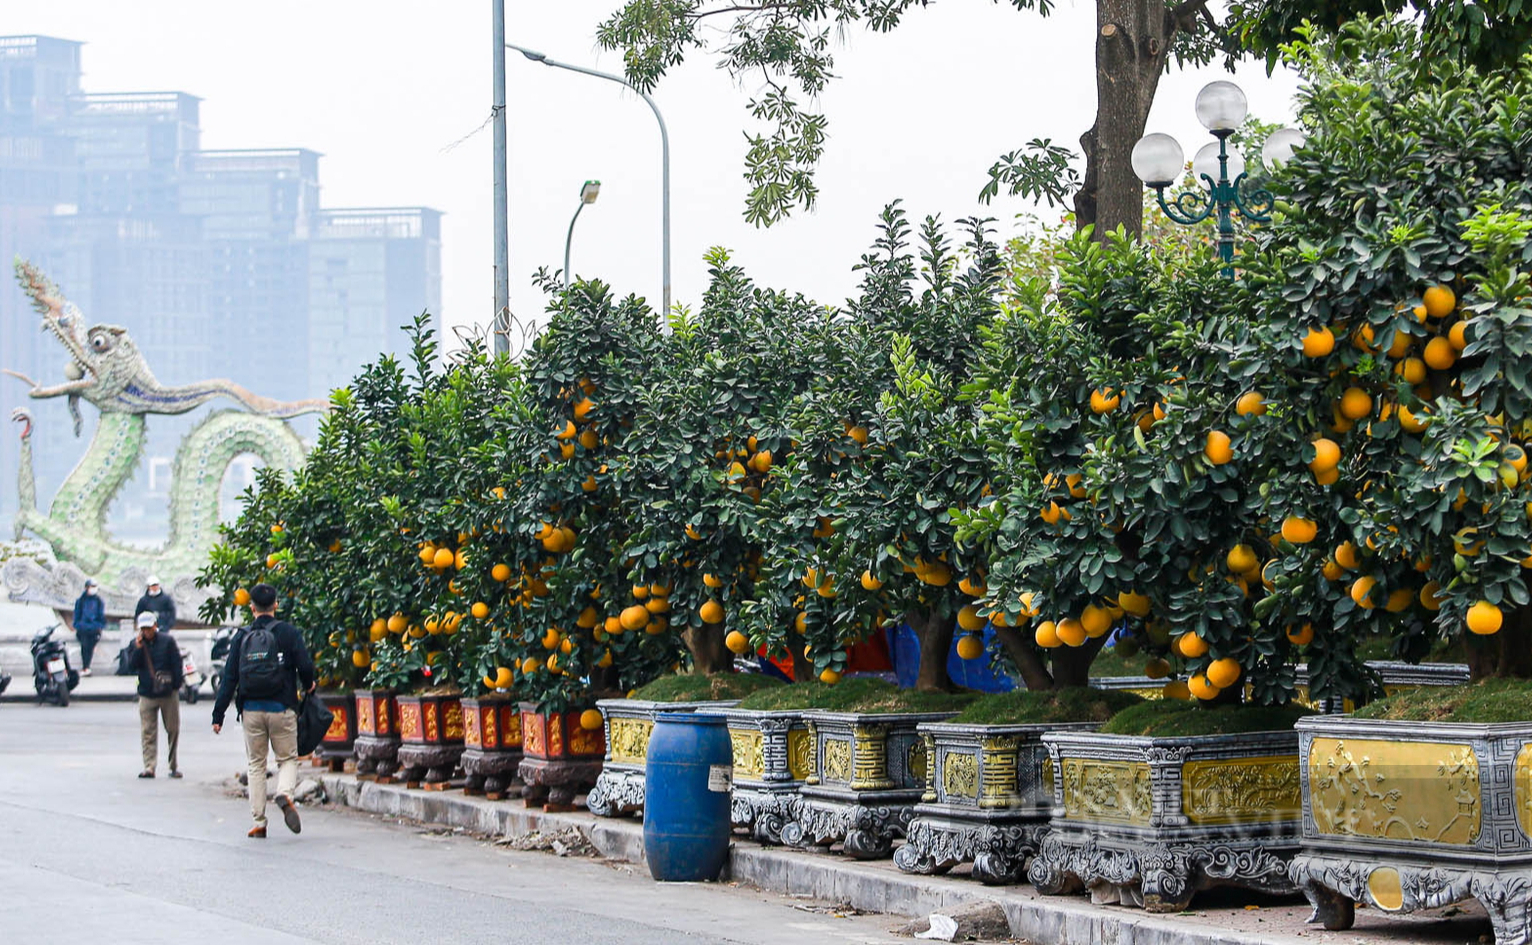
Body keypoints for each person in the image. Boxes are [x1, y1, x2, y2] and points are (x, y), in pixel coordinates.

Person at [212, 583, 315, 839]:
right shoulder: (288, 633)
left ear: (251, 607)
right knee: (287, 759)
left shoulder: (241, 636)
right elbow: (305, 665)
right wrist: (309, 683)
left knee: (256, 765)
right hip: (282, 708)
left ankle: (259, 822)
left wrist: (218, 715)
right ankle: (284, 793)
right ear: (276, 605)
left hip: (251, 710)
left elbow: (229, 678)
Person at [127, 610, 183, 779]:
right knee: (148, 732)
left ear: (155, 626)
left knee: (173, 729)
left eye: (149, 628)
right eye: (143, 629)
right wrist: (137, 649)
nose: (146, 632)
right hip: (146, 692)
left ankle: (173, 765)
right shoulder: (136, 644)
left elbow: (177, 664)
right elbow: (131, 666)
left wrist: (175, 686)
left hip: (168, 693)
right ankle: (149, 766)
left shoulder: (167, 641)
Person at [71, 578, 106, 676]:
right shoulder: (81, 601)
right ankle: (86, 667)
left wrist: (98, 626)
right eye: (91, 587)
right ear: (86, 588)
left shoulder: (99, 601)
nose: (93, 589)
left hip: (94, 629)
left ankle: (86, 667)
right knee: (85, 645)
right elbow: (77, 615)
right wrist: (79, 625)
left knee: (89, 646)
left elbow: (101, 616)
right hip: (83, 629)